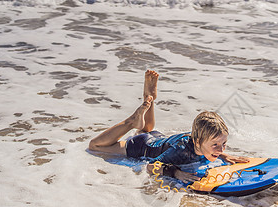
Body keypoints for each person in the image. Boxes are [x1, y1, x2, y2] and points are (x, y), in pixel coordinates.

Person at [89, 70, 249, 183]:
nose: (221, 149)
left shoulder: (199, 139)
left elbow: (208, 146)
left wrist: (222, 155)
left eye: (223, 144)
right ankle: (131, 121)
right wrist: (175, 172)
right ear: (198, 142)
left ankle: (149, 97)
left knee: (147, 129)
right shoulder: (181, 150)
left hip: (156, 139)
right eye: (216, 145)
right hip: (141, 146)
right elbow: (151, 167)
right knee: (95, 146)